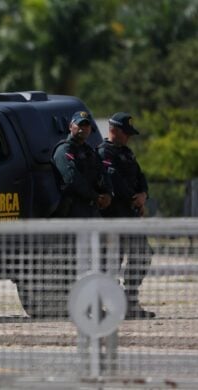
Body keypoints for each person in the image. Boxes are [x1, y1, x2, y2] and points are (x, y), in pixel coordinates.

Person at [98, 112, 154, 319]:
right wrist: (133, 197)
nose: (128, 137)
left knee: (143, 253)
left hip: (131, 216)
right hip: (114, 217)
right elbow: (112, 179)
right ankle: (111, 304)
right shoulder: (104, 152)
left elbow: (141, 177)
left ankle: (130, 299)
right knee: (111, 262)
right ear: (113, 130)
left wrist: (144, 195)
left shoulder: (128, 154)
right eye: (125, 133)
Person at [52, 111, 112, 217]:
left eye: (86, 125)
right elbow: (71, 178)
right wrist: (95, 196)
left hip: (91, 208)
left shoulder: (89, 151)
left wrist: (107, 193)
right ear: (71, 126)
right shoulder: (64, 149)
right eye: (80, 124)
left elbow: (103, 172)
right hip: (72, 210)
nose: (83, 128)